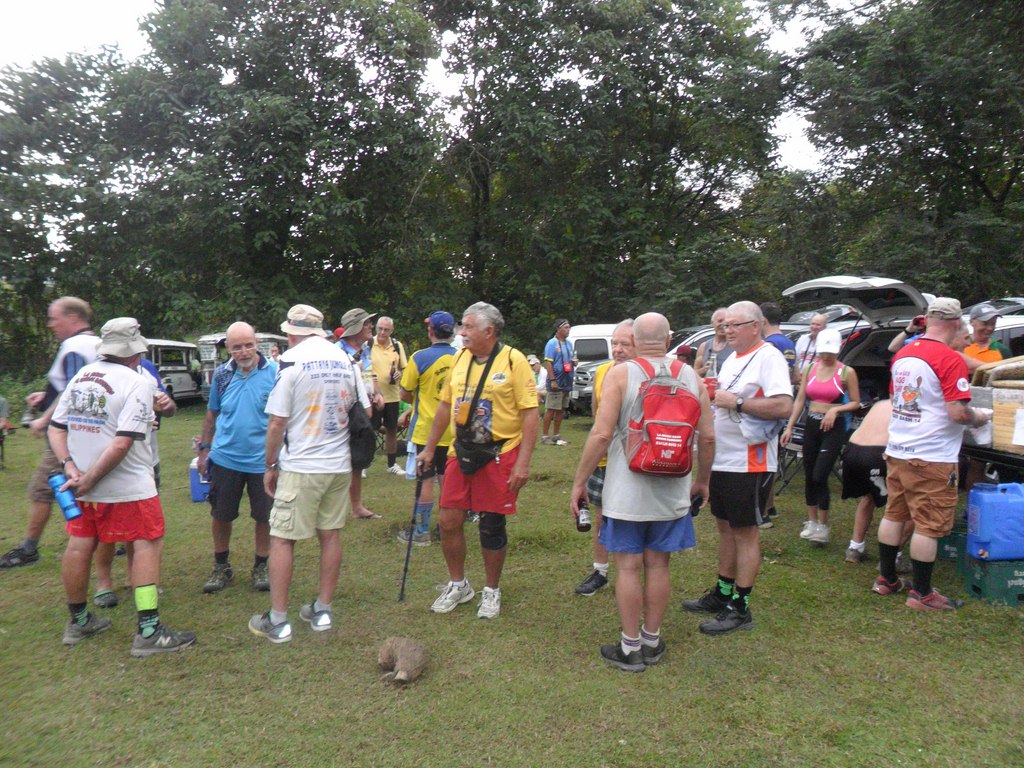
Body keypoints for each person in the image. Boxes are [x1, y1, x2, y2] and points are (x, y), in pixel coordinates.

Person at [571, 313, 713, 671]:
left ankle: (630, 646)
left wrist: (579, 481)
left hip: (626, 493)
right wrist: (703, 480)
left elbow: (601, 434)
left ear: (634, 340)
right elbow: (709, 436)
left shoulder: (620, 374)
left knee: (628, 568)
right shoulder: (691, 376)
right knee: (659, 564)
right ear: (668, 340)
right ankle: (651, 640)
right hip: (673, 489)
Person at [49, 317, 195, 656]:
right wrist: (90, 478)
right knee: (147, 544)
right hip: (128, 484)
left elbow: (56, 428)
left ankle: (79, 622)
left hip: (80, 484)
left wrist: (71, 468)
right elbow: (121, 443)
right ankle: (149, 631)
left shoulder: (82, 376)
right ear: (134, 351)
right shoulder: (136, 382)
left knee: (79, 545)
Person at [249, 304, 369, 642]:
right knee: (330, 535)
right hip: (339, 463)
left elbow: (277, 421)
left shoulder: (290, 362)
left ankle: (278, 620)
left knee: (282, 538)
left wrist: (270, 465)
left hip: (301, 464)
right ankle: (323, 610)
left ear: (292, 333)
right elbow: (366, 410)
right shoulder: (346, 359)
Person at [417, 302, 538, 619]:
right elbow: (446, 405)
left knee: (491, 524)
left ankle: (491, 589)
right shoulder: (459, 358)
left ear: (489, 331)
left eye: (468, 326)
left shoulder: (513, 360)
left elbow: (530, 413)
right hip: (461, 450)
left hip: (500, 452)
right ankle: (459, 584)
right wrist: (429, 448)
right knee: (448, 520)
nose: (462, 332)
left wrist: (523, 463)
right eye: (462, 325)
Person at [682, 301, 792, 635]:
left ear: (755, 326)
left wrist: (738, 402)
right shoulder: (734, 358)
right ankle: (723, 592)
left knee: (744, 533)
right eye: (724, 325)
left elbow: (783, 405)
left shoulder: (769, 356)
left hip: (750, 461)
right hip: (723, 458)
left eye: (734, 325)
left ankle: (741, 607)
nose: (726, 330)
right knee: (725, 528)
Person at [875, 297, 992, 611]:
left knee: (894, 514)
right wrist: (980, 416)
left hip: (898, 449)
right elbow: (958, 413)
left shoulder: (904, 353)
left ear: (927, 320)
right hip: (932, 455)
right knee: (928, 525)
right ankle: (922, 594)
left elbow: (898, 400)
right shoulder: (949, 358)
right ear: (956, 323)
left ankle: (886, 579)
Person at [1, 297, 99, 569]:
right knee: (89, 487)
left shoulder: (74, 346)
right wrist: (46, 396)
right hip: (91, 432)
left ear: (73, 317)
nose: (50, 324)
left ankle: (28, 549)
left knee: (42, 489)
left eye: (54, 318)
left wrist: (45, 419)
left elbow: (74, 389)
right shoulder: (95, 344)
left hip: (67, 435)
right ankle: (111, 538)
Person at [196, 322, 278, 594]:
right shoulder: (221, 375)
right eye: (237, 347)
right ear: (228, 349)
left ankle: (261, 566)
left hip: (263, 462)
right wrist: (204, 450)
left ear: (257, 344)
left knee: (264, 516)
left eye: (248, 345)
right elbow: (212, 414)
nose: (243, 352)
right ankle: (221, 567)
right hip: (225, 458)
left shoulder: (275, 373)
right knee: (221, 515)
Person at [91, 353, 176, 608]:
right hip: (108, 460)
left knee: (143, 527)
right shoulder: (98, 371)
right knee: (106, 527)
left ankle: (136, 578)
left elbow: (167, 409)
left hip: (145, 462)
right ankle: (103, 583)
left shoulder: (146, 369)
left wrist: (164, 405)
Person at [781, 328, 861, 546]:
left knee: (820, 475)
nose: (826, 356)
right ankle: (812, 521)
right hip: (812, 424)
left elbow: (856, 402)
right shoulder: (810, 368)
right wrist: (789, 426)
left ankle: (823, 525)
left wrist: (836, 410)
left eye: (830, 353)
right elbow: (800, 399)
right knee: (809, 474)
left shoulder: (846, 372)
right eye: (823, 352)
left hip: (833, 427)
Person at [574, 319, 636, 596]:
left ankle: (632, 570)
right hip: (604, 458)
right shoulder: (602, 371)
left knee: (632, 516)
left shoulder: (642, 374)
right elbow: (597, 413)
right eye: (614, 343)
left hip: (634, 461)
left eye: (625, 344)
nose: (618, 349)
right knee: (600, 514)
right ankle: (600, 570)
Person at [397, 311, 458, 546]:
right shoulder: (461, 357)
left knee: (425, 480)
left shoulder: (419, 358)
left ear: (430, 331)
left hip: (425, 431)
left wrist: (420, 401)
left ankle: (422, 531)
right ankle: (447, 528)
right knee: (448, 481)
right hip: (453, 431)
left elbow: (405, 393)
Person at [840, 399, 911, 567]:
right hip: (878, 452)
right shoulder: (912, 407)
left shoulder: (881, 403)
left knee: (869, 497)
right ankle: (893, 557)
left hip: (853, 451)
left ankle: (855, 548)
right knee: (910, 504)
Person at [337, 307, 383, 519]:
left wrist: (377, 393)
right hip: (343, 411)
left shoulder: (365, 348)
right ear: (355, 328)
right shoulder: (338, 352)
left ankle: (356, 507)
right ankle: (332, 508)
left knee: (356, 459)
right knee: (338, 460)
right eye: (366, 323)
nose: (371, 326)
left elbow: (370, 374)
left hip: (362, 410)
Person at [370, 316, 408, 475]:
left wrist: (400, 373)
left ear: (391, 331)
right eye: (380, 328)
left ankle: (392, 464)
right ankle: (365, 464)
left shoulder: (397, 346)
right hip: (372, 396)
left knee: (391, 429)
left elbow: (404, 368)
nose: (382, 332)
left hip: (392, 395)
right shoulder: (368, 344)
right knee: (370, 430)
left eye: (386, 329)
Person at [541, 319, 575, 446]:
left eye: (569, 327)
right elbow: (548, 363)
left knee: (561, 409)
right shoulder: (552, 343)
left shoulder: (569, 344)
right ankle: (545, 436)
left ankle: (556, 435)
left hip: (566, 381)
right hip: (556, 381)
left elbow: (569, 359)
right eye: (566, 327)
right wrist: (552, 380)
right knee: (551, 409)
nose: (568, 330)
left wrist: (573, 362)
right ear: (558, 329)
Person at [695, 308, 733, 377]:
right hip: (708, 383)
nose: (723, 324)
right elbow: (694, 373)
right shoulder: (704, 346)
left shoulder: (735, 345)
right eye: (720, 321)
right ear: (713, 323)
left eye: (726, 321)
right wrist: (703, 370)